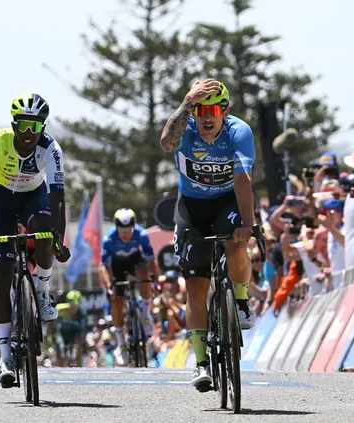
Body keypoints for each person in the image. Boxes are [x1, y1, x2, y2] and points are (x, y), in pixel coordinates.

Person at [160, 79, 256, 391]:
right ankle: (201, 364)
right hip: (192, 207)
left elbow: (243, 178)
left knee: (236, 243)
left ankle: (240, 300)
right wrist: (186, 103)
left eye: (213, 110)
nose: (206, 117)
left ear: (225, 112)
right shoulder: (185, 129)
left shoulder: (238, 132)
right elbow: (166, 142)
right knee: (195, 286)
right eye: (199, 110)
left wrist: (248, 224)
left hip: (227, 201)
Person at [0, 93, 68, 387]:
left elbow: (58, 199)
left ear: (42, 127)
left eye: (36, 127)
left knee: (44, 228)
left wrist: (58, 238)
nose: (29, 134)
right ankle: (4, 357)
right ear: (14, 124)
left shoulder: (50, 149)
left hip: (32, 198)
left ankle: (42, 289)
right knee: (1, 277)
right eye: (24, 126)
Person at [99, 208, 157, 366]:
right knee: (116, 299)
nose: (125, 233)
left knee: (144, 273)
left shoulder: (142, 234)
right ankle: (121, 343)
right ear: (116, 228)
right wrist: (109, 286)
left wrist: (155, 282)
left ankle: (145, 314)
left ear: (134, 227)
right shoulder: (109, 239)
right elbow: (103, 266)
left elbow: (152, 260)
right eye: (122, 229)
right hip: (117, 266)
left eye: (128, 229)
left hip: (134, 261)